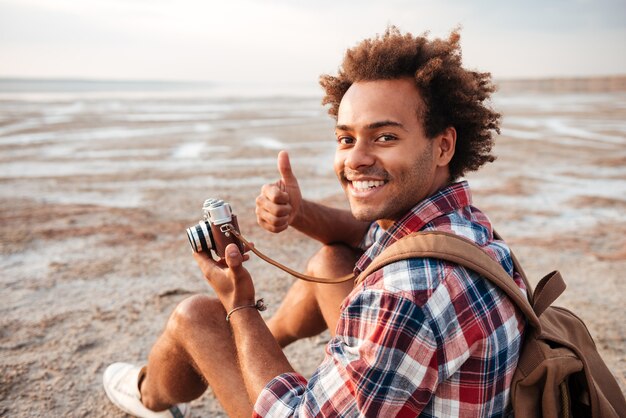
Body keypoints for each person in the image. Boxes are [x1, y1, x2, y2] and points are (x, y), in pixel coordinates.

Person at [103, 27, 527, 417]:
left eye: (384, 137)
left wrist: (239, 307)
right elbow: (365, 236)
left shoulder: (405, 294)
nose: (356, 159)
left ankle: (149, 397)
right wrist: (297, 212)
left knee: (196, 317)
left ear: (443, 145)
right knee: (330, 263)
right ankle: (260, 346)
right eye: (346, 138)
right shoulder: (464, 226)